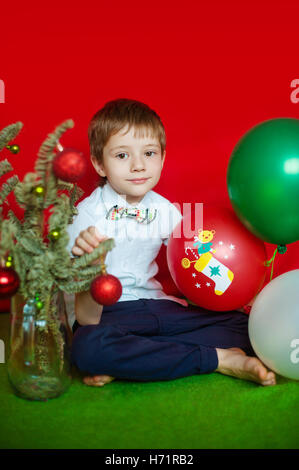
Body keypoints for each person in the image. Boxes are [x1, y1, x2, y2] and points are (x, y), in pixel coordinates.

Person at [67, 98, 276, 387]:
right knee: (88, 346)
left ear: (163, 158)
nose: (139, 165)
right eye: (122, 156)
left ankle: (136, 360)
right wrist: (92, 268)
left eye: (149, 153)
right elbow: (87, 319)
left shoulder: (164, 209)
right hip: (114, 316)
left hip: (162, 310)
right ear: (99, 163)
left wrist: (238, 290)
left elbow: (197, 258)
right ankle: (220, 359)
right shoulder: (85, 216)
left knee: (249, 329)